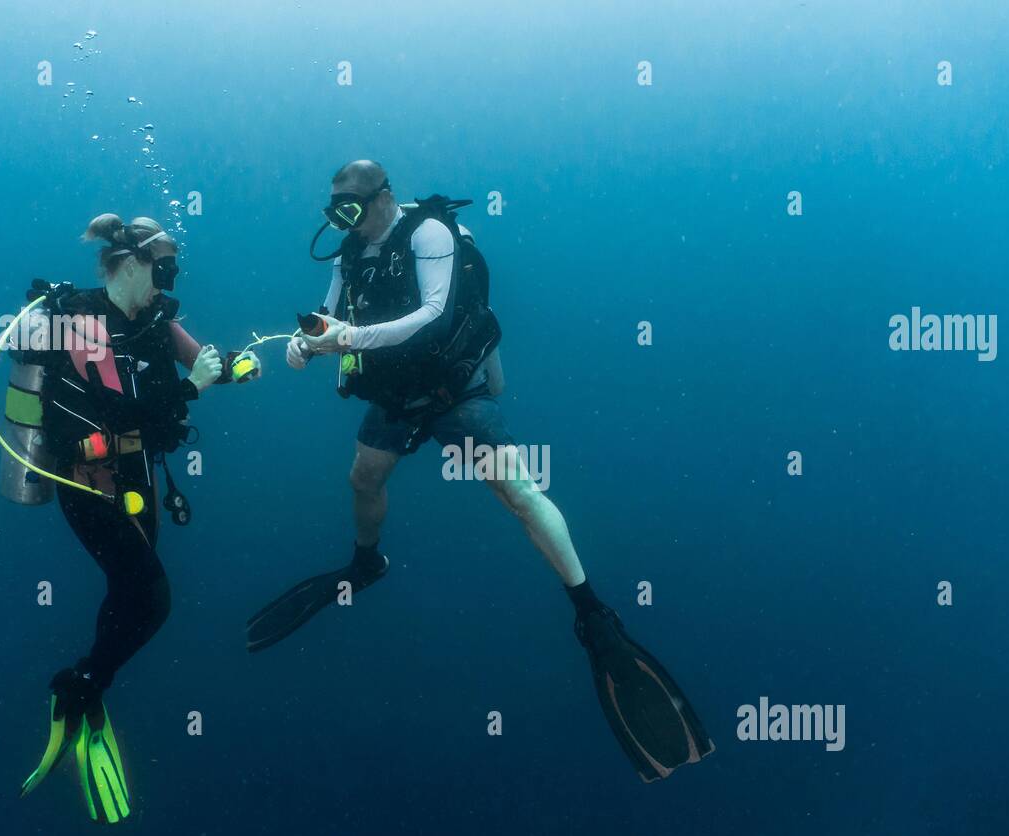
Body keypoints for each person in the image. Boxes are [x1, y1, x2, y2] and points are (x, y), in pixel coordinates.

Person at [246, 161, 712, 781]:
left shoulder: (429, 233)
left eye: (352, 208)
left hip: (452, 390)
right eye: (335, 211)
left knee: (518, 491)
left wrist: (348, 339)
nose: (344, 222)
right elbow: (328, 316)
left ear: (384, 197)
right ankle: (366, 563)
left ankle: (592, 611)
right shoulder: (350, 253)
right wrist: (303, 344)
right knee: (363, 478)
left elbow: (433, 316)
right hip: (395, 393)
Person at [18, 214, 258, 822]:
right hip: (87, 483)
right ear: (129, 264)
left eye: (174, 268)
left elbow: (204, 360)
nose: (170, 279)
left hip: (138, 481)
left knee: (126, 591)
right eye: (164, 267)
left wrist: (243, 363)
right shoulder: (82, 323)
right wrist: (193, 389)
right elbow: (120, 410)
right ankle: (77, 687)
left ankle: (88, 691)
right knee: (152, 600)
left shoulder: (155, 320)